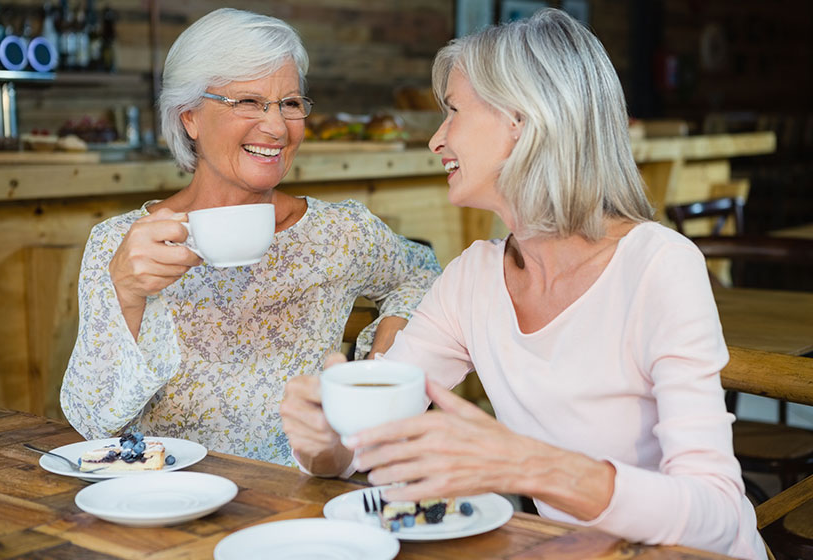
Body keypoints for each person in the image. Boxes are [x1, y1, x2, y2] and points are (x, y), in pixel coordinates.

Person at [280, 9, 766, 559]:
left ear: (521, 119)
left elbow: (718, 516)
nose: (437, 139)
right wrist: (323, 440)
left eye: (454, 112)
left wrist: (525, 463)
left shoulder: (659, 266)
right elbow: (360, 444)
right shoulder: (473, 279)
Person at [60, 8, 440, 466]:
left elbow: (421, 271)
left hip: (300, 497)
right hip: (168, 501)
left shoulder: (338, 234)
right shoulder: (123, 245)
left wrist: (388, 347)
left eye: (290, 103)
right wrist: (126, 294)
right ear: (189, 118)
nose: (277, 128)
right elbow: (90, 422)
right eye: (247, 102)